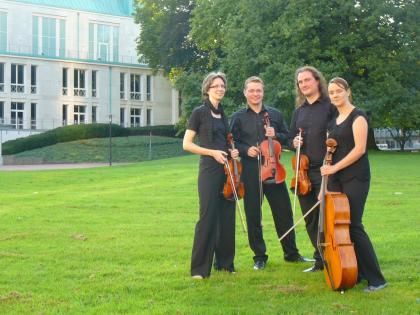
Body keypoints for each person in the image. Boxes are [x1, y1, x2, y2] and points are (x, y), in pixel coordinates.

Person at [231, 76, 310, 270]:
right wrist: (245, 150)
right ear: (245, 92)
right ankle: (259, 256)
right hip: (250, 170)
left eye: (258, 90)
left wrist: (277, 135)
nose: (255, 94)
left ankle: (291, 253)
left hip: (275, 170)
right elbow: (232, 142)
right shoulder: (238, 117)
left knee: (283, 213)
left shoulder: (274, 114)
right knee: (253, 215)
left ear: (263, 92)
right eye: (251, 90)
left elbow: (287, 137)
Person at [320, 77, 387, 292]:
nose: (335, 95)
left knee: (354, 225)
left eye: (339, 91)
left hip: (356, 177)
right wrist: (325, 185)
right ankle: (357, 273)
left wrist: (335, 168)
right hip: (337, 177)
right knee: (342, 229)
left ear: (348, 91)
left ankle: (377, 279)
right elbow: (330, 153)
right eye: (331, 92)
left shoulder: (359, 117)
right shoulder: (333, 121)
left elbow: (359, 150)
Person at [183, 72, 238, 279]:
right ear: (207, 89)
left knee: (226, 216)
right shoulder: (199, 113)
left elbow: (225, 141)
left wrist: (230, 151)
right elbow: (186, 144)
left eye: (222, 86)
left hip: (227, 169)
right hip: (209, 170)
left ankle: (224, 264)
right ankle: (199, 269)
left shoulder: (223, 114)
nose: (220, 89)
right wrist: (212, 152)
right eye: (216, 86)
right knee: (207, 217)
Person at [288, 66, 337, 273]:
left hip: (325, 170)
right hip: (303, 173)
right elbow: (290, 140)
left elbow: (339, 135)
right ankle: (319, 259)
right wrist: (294, 141)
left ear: (317, 81)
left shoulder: (330, 106)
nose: (304, 84)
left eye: (307, 80)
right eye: (300, 82)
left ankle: (333, 257)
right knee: (310, 219)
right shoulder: (298, 111)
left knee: (326, 218)